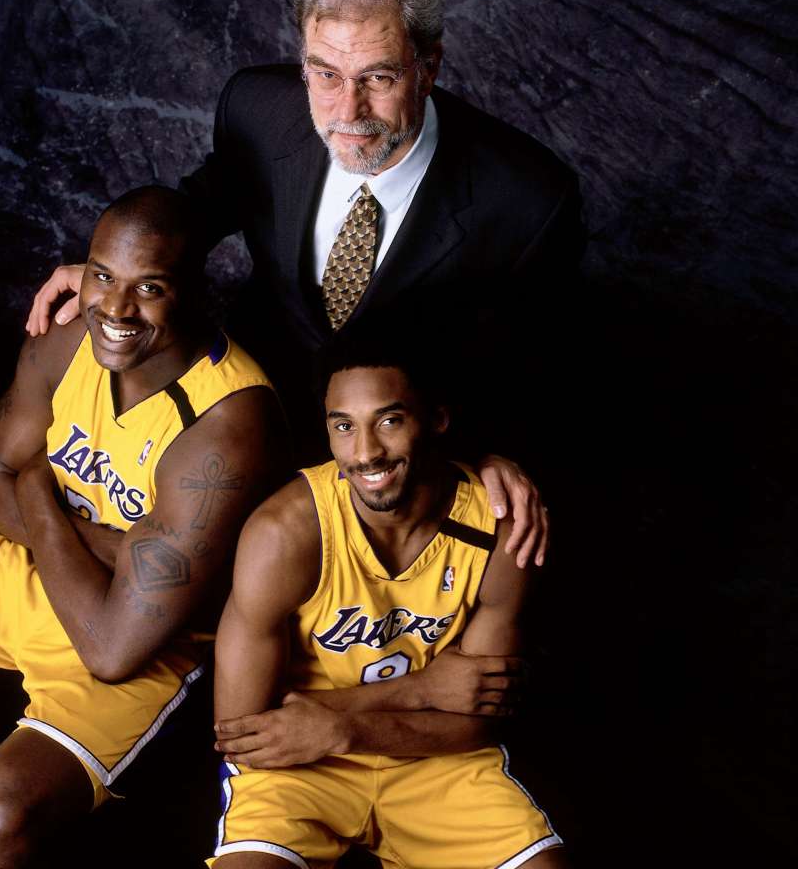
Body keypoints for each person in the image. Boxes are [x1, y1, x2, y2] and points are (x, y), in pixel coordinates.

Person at [25, 0, 579, 570]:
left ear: (429, 66)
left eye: (379, 76)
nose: (348, 111)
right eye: (325, 74)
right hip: (252, 403)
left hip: (395, 452)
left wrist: (497, 450)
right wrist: (113, 273)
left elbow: (535, 360)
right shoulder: (259, 110)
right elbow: (203, 204)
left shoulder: (530, 199)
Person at [0, 186, 288, 867]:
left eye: (149, 287)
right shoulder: (70, 341)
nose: (117, 309)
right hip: (39, 570)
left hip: (133, 638)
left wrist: (40, 488)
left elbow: (112, 647)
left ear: (193, 291)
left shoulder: (227, 424)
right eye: (102, 276)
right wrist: (115, 545)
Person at [209, 333, 564, 868]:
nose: (366, 452)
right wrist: (424, 688)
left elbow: (478, 720)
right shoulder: (284, 533)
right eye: (343, 426)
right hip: (299, 766)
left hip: (435, 760)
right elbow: (243, 734)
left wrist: (345, 726)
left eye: (390, 421)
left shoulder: (499, 527)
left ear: (436, 420)